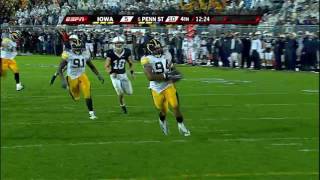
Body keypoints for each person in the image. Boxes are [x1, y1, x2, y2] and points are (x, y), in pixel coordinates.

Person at [140, 39, 191, 136]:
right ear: (150, 50)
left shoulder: (166, 56)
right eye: (156, 49)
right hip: (156, 88)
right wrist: (166, 76)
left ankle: (181, 125)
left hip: (168, 85)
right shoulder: (146, 59)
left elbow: (173, 69)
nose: (159, 50)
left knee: (175, 106)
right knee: (162, 109)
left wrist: (177, 75)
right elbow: (150, 77)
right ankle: (162, 121)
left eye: (159, 48)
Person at [58, 38, 104, 120]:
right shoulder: (68, 54)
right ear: (72, 47)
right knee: (76, 98)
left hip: (82, 75)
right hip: (71, 77)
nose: (78, 50)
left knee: (87, 93)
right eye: (76, 48)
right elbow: (59, 69)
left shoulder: (85, 54)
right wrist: (63, 80)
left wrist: (98, 75)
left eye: (79, 48)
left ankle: (91, 113)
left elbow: (91, 66)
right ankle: (71, 90)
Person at [105, 36, 134, 114]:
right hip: (115, 76)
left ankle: (122, 90)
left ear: (123, 43)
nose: (118, 44)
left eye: (120, 43)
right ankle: (122, 105)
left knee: (129, 92)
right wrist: (111, 72)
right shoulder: (110, 52)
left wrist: (131, 72)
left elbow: (130, 63)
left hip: (123, 75)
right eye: (117, 43)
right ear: (114, 44)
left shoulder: (127, 51)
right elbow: (106, 66)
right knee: (120, 93)